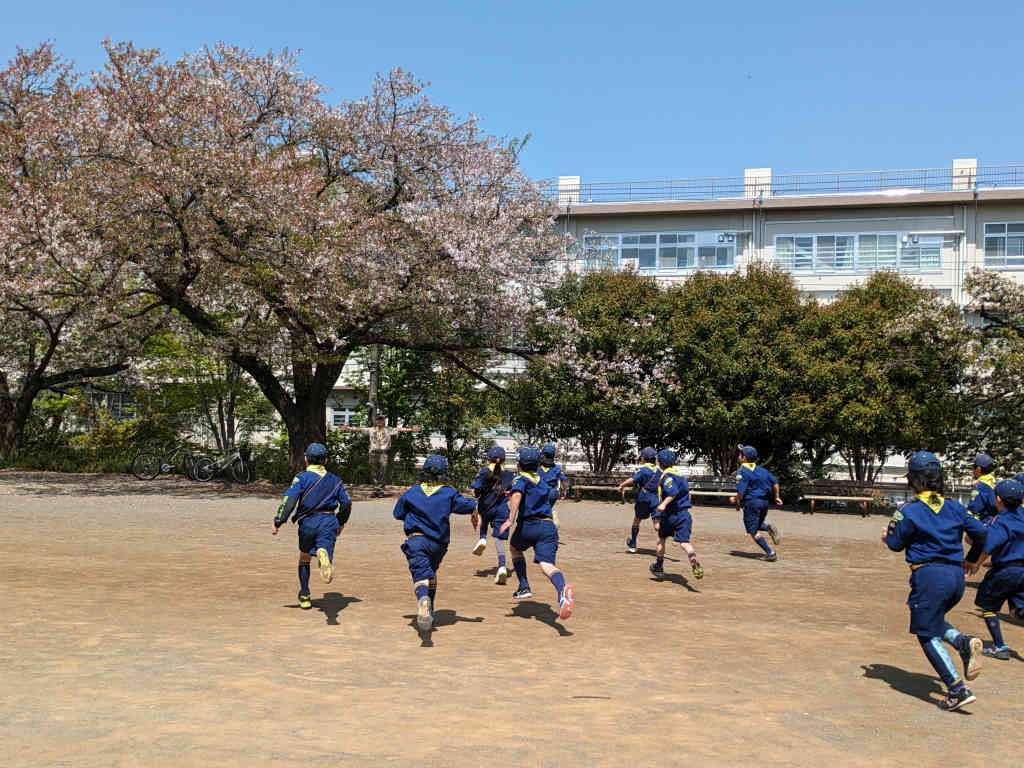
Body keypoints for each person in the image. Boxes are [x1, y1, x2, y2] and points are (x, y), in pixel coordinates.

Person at [882, 450, 987, 711]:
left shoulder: (909, 510)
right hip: (955, 577)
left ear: (915, 481)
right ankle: (962, 643)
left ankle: (957, 689)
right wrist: (972, 559)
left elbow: (895, 544)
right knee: (932, 620)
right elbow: (982, 533)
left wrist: (887, 536)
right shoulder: (955, 506)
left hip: (929, 576)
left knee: (925, 632)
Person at [393, 454, 477, 631]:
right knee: (430, 572)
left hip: (416, 540)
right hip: (439, 545)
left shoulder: (411, 492)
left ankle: (423, 601)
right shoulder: (449, 493)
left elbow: (397, 514)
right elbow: (468, 505)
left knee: (420, 577)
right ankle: (430, 608)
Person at [272, 443, 352, 610]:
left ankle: (305, 595)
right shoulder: (336, 480)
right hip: (329, 521)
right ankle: (323, 554)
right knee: (325, 548)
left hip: (308, 522)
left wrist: (278, 521)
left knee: (304, 557)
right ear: (326, 460)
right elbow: (346, 503)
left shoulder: (301, 478)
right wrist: (341, 522)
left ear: (306, 459)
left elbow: (290, 501)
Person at [499, 446, 575, 620]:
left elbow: (518, 495)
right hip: (548, 526)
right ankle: (562, 591)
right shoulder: (541, 480)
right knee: (547, 565)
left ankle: (524, 586)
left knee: (514, 548)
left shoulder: (521, 479)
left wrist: (510, 518)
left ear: (518, 464)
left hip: (529, 525)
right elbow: (542, 496)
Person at [965, 479, 1024, 660]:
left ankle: (999, 646)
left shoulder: (1000, 521)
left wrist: (975, 563)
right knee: (1018, 611)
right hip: (1022, 571)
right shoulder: (1022, 515)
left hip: (1005, 571)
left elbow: (988, 545)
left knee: (987, 605)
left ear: (998, 499)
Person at [648, 449, 704, 581]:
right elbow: (687, 494)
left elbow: (672, 492)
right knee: (685, 543)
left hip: (670, 515)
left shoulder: (667, 476)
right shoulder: (681, 476)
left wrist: (663, 505)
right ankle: (693, 559)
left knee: (661, 539)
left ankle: (659, 567)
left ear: (660, 463)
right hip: (684, 514)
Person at [338, 414, 420, 497]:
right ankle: (376, 490)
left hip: (383, 453)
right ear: (375, 421)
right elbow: (359, 429)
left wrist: (411, 429)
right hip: (373, 453)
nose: (379, 421)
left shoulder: (389, 429)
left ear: (384, 421)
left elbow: (400, 429)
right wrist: (348, 428)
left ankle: (380, 490)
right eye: (378, 419)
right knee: (374, 473)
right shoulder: (371, 430)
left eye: (381, 420)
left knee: (382, 472)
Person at [470, 446, 516, 584]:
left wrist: (476, 494)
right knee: (499, 539)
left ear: (489, 458)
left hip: (486, 507)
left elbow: (476, 490)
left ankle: (482, 538)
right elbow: (512, 491)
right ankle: (502, 566)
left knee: (484, 520)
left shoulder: (484, 471)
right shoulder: (509, 474)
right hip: (502, 508)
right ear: (503, 460)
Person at [729, 445, 782, 561]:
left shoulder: (742, 471)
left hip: (752, 503)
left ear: (744, 458)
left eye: (740, 454)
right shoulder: (762, 470)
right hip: (764, 503)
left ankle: (770, 553)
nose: (738, 456)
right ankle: (768, 528)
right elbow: (775, 483)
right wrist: (777, 497)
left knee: (753, 531)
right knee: (756, 524)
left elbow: (741, 492)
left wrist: (735, 499)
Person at [616, 447, 661, 554]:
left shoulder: (643, 470)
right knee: (657, 524)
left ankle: (633, 544)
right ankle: (669, 533)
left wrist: (622, 485)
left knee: (637, 520)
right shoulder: (659, 471)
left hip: (644, 497)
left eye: (641, 456)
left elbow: (633, 479)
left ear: (644, 458)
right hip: (656, 498)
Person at [539, 444, 569, 527]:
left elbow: (564, 480)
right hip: (551, 492)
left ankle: (549, 515)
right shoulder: (556, 468)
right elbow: (564, 480)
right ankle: (550, 514)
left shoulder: (538, 468)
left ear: (543, 456)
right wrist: (564, 491)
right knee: (546, 508)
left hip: (543, 492)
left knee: (540, 509)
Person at [967, 453, 998, 522]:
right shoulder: (994, 482)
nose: (972, 470)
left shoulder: (980, 486)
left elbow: (973, 508)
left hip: (987, 522)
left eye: (973, 467)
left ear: (978, 469)